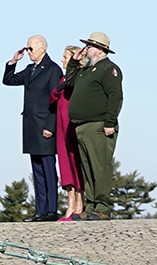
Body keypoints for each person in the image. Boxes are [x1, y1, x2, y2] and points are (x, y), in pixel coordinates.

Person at [3, 35, 63, 221]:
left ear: (42, 49)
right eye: (27, 49)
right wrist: (13, 61)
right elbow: (9, 80)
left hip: (45, 126)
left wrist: (50, 126)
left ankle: (52, 210)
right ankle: (41, 210)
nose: (28, 52)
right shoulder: (30, 70)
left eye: (31, 49)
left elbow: (56, 100)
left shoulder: (53, 70)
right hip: (31, 127)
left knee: (48, 168)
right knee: (37, 170)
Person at [64, 32, 122, 221]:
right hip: (82, 126)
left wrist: (109, 122)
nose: (86, 50)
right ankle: (91, 206)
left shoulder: (108, 69)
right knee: (87, 169)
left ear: (99, 50)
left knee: (100, 167)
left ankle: (103, 207)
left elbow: (115, 97)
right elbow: (70, 82)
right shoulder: (86, 70)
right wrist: (73, 63)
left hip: (99, 126)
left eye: (89, 47)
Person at [52, 46, 84, 221]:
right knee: (64, 166)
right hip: (61, 127)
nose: (62, 60)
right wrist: (59, 87)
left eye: (65, 57)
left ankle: (80, 204)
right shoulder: (64, 78)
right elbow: (53, 97)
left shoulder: (80, 76)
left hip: (73, 125)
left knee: (76, 164)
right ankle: (70, 204)